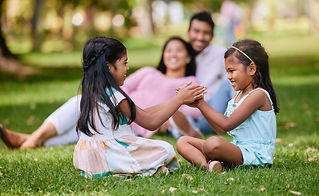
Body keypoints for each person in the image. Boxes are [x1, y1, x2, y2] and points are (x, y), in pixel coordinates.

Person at [0, 36, 202, 150]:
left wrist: (177, 103)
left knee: (86, 129)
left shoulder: (189, 81)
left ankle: (26, 140)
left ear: (188, 57)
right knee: (83, 110)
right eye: (169, 50)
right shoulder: (148, 73)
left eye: (179, 50)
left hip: (135, 121)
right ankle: (34, 138)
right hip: (124, 115)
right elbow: (126, 92)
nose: (173, 54)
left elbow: (192, 113)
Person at [75, 36, 206, 178]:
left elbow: (142, 113)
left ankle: (138, 171)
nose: (127, 68)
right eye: (124, 63)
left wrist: (177, 100)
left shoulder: (95, 91)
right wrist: (180, 100)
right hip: (111, 153)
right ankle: (141, 169)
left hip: (91, 160)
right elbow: (150, 123)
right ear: (109, 67)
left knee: (154, 149)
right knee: (165, 149)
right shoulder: (115, 95)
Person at [176, 39, 279, 173]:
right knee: (183, 142)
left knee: (213, 144)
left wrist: (202, 103)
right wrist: (198, 105)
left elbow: (227, 124)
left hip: (256, 154)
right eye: (227, 71)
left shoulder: (258, 95)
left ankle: (211, 161)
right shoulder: (237, 95)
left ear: (252, 68)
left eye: (232, 71)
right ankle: (209, 167)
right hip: (238, 148)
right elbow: (220, 129)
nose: (228, 77)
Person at [184, 11, 235, 135]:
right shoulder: (180, 53)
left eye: (206, 33)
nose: (200, 37)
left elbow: (235, 84)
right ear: (188, 32)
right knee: (183, 114)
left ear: (212, 36)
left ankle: (243, 121)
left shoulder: (221, 54)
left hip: (214, 109)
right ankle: (183, 127)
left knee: (228, 82)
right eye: (196, 31)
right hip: (190, 110)